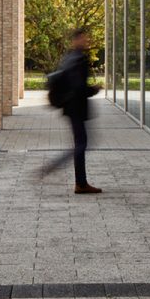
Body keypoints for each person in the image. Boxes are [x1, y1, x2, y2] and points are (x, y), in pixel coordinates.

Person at [44, 27, 102, 194]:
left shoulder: (69, 57)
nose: (86, 41)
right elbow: (78, 87)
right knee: (81, 144)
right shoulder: (79, 59)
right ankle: (79, 182)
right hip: (76, 107)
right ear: (76, 40)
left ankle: (80, 182)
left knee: (80, 143)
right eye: (84, 38)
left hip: (71, 107)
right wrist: (94, 89)